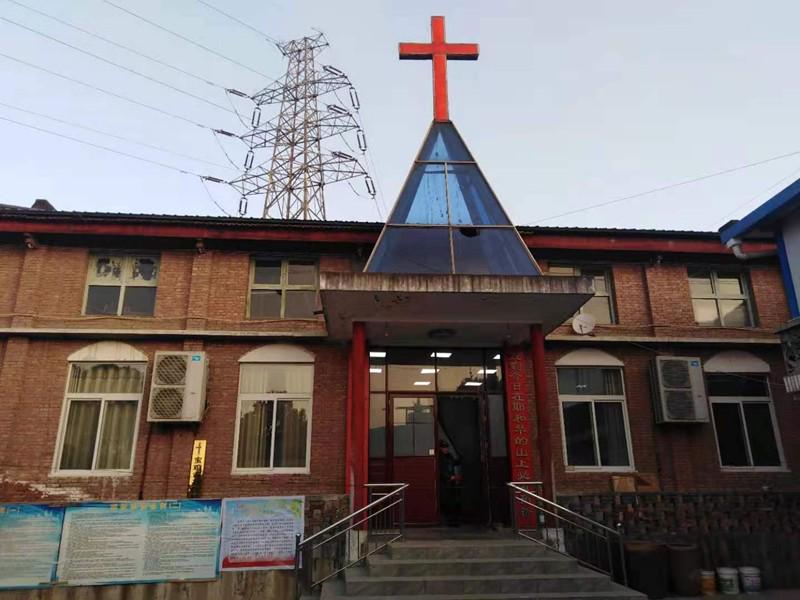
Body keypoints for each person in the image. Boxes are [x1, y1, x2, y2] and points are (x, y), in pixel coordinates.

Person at [438, 439, 462, 526]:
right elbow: (440, 470)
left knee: (452, 500)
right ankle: (446, 519)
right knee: (445, 500)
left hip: (451, 481)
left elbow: (454, 463)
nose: (445, 449)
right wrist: (448, 477)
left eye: (446, 447)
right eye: (444, 447)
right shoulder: (439, 458)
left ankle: (453, 520)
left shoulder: (450, 456)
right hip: (444, 482)